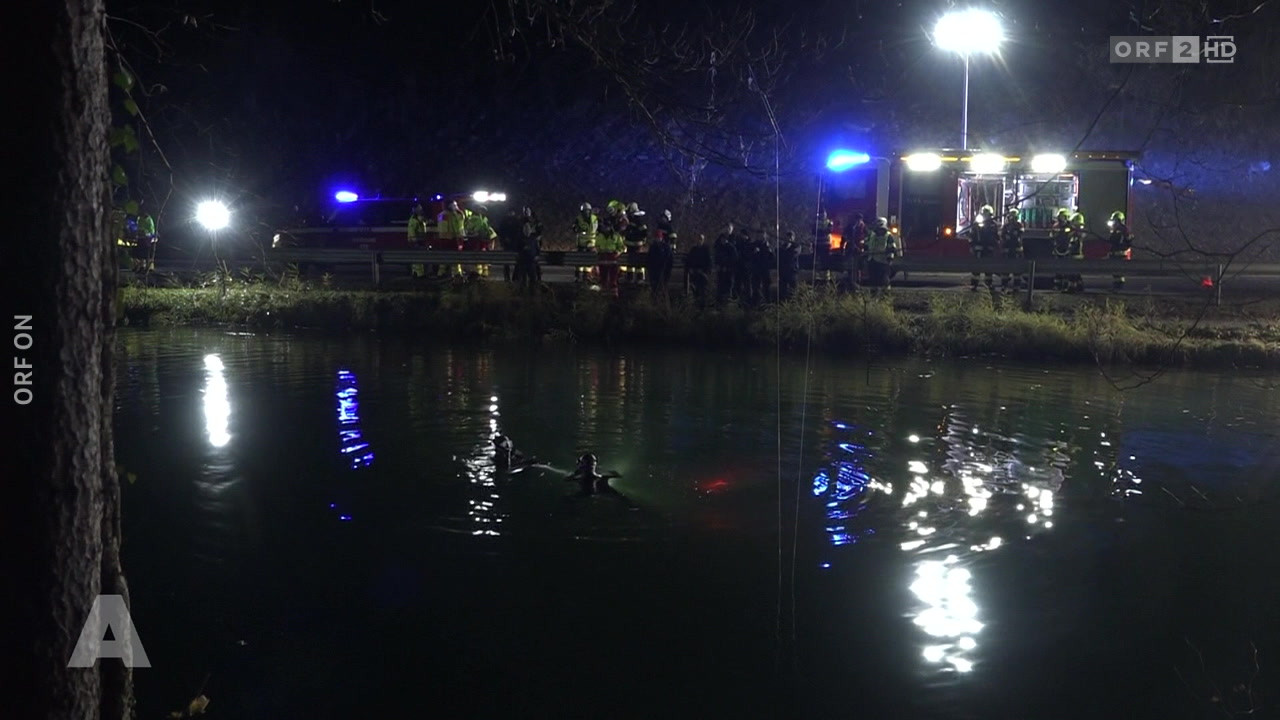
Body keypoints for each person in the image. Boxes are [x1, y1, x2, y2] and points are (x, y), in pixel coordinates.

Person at [967, 204, 999, 291]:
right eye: (984, 212)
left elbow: (996, 236)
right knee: (976, 267)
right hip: (978, 247)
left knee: (988, 267)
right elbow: (972, 235)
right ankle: (974, 284)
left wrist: (995, 246)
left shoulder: (993, 225)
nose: (986, 215)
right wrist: (972, 246)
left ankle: (988, 284)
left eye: (987, 213)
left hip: (989, 248)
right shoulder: (977, 224)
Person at [864, 217, 897, 292]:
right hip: (872, 260)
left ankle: (886, 294)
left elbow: (892, 248)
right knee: (873, 280)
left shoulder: (888, 236)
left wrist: (890, 259)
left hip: (883, 261)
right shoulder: (872, 235)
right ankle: (873, 294)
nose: (879, 230)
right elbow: (866, 244)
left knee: (883, 279)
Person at [514, 206, 543, 291]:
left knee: (532, 276)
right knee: (523, 277)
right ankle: (522, 287)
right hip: (525, 259)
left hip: (530, 259)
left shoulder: (534, 222)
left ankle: (534, 285)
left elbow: (540, 231)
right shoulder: (521, 224)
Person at [439, 200, 469, 278]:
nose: (456, 206)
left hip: (456, 239)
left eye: (456, 205)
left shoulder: (456, 214)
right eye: (454, 205)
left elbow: (461, 222)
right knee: (446, 258)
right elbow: (443, 229)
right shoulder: (444, 215)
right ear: (449, 205)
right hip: (447, 239)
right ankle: (442, 273)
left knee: (456, 257)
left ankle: (456, 273)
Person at [999, 208, 1024, 294]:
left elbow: (1019, 233)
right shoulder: (1005, 226)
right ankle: (1004, 286)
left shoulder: (1019, 225)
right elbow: (1002, 235)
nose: (1012, 218)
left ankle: (1016, 286)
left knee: (1017, 269)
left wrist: (1011, 235)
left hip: (1016, 249)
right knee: (1005, 269)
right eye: (1011, 216)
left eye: (1014, 216)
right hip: (1007, 249)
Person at [684, 233, 712, 307]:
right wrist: (689, 269)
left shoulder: (706, 250)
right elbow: (688, 260)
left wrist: (704, 271)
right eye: (698, 239)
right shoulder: (693, 250)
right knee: (694, 290)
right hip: (694, 273)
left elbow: (709, 262)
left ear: (703, 240)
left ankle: (702, 306)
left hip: (703, 274)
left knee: (703, 290)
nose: (699, 241)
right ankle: (695, 305)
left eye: (701, 239)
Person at [842, 212, 868, 294]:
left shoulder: (863, 227)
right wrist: (842, 247)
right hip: (850, 249)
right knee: (851, 267)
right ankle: (851, 284)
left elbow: (867, 238)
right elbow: (844, 237)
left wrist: (864, 247)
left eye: (859, 220)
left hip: (859, 250)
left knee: (858, 267)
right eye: (857, 220)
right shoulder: (850, 227)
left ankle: (857, 283)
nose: (858, 221)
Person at [623, 202, 648, 285]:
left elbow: (644, 232)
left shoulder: (638, 221)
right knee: (630, 264)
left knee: (637, 264)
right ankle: (631, 278)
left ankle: (638, 278)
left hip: (636, 246)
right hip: (632, 245)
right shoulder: (631, 221)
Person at [713, 223, 738, 304]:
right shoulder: (719, 242)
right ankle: (719, 303)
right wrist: (717, 264)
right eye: (726, 228)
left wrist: (728, 266)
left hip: (729, 269)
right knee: (720, 286)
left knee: (729, 285)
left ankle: (728, 302)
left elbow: (734, 257)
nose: (727, 230)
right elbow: (716, 253)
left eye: (729, 228)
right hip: (720, 268)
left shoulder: (733, 240)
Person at [497, 207, 523, 283]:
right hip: (509, 243)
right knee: (508, 261)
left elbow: (518, 231)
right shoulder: (507, 221)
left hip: (513, 243)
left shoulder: (515, 221)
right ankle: (509, 277)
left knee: (514, 261)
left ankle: (513, 277)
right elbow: (501, 231)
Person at [646, 228, 674, 300]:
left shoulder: (665, 247)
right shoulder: (653, 247)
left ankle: (659, 298)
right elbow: (649, 259)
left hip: (663, 270)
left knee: (661, 286)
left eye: (658, 237)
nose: (657, 239)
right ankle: (656, 298)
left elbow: (669, 259)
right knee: (656, 286)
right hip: (655, 270)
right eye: (657, 238)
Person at [573, 203, 598, 283]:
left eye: (587, 211)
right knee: (579, 261)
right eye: (585, 211)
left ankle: (586, 277)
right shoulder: (579, 219)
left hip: (591, 243)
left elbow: (597, 228)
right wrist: (578, 229)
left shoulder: (594, 218)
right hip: (582, 243)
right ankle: (578, 276)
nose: (586, 212)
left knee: (589, 262)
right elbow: (574, 228)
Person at [1107, 210, 1132, 291]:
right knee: (1115, 273)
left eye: (1115, 221)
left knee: (1118, 273)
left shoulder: (1122, 230)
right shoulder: (1116, 229)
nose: (1114, 223)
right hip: (1115, 254)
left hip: (1120, 255)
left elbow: (1127, 242)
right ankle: (1116, 287)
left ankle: (1118, 287)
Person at [749, 233, 775, 305]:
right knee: (755, 287)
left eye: (763, 236)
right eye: (760, 236)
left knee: (766, 287)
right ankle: (755, 303)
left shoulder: (768, 246)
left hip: (765, 269)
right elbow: (749, 256)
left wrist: (770, 253)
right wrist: (753, 252)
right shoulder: (753, 245)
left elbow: (772, 258)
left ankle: (767, 303)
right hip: (756, 269)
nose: (762, 237)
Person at [1050, 209, 1072, 292]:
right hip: (1058, 249)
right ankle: (1057, 285)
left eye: (1062, 216)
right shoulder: (1056, 226)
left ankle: (1065, 285)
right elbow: (1052, 235)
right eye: (1060, 216)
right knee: (1057, 268)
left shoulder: (1070, 226)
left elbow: (1072, 235)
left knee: (1066, 269)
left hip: (1066, 249)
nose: (1061, 218)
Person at [1065, 212, 1087, 293]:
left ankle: (1072, 288)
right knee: (1076, 273)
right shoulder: (1079, 232)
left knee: (1072, 273)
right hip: (1078, 255)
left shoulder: (1077, 233)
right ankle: (1079, 286)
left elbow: (1073, 243)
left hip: (1075, 255)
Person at [408, 203, 431, 279]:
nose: (420, 209)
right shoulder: (413, 220)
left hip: (421, 241)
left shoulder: (420, 219)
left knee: (420, 259)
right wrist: (415, 242)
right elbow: (412, 232)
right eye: (419, 208)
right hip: (416, 242)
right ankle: (418, 275)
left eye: (420, 208)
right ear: (414, 209)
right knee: (418, 260)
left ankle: (418, 274)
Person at [777, 230, 801, 301]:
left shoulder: (797, 246)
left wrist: (788, 248)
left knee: (793, 290)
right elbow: (779, 254)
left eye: (791, 237)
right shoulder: (782, 246)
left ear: (793, 238)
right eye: (788, 237)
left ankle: (793, 303)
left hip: (792, 271)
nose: (789, 239)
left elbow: (792, 254)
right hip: (783, 271)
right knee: (782, 290)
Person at [135, 200, 157, 273]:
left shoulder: (149, 219)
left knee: (147, 253)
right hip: (140, 238)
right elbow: (138, 227)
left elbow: (151, 231)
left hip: (147, 239)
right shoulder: (140, 218)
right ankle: (142, 266)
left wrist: (146, 233)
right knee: (140, 254)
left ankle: (149, 267)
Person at [733, 227, 754, 302]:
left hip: (746, 268)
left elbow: (750, 256)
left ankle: (748, 301)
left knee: (747, 285)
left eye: (742, 234)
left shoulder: (750, 244)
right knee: (737, 285)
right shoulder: (738, 243)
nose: (741, 236)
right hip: (739, 267)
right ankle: (737, 301)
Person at [814, 210, 833, 281]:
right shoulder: (816, 222)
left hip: (826, 244)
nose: (823, 215)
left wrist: (821, 231)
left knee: (826, 261)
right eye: (822, 214)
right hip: (818, 244)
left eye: (824, 214)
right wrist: (823, 231)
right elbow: (814, 231)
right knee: (817, 261)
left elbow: (830, 230)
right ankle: (817, 277)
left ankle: (826, 277)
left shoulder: (829, 222)